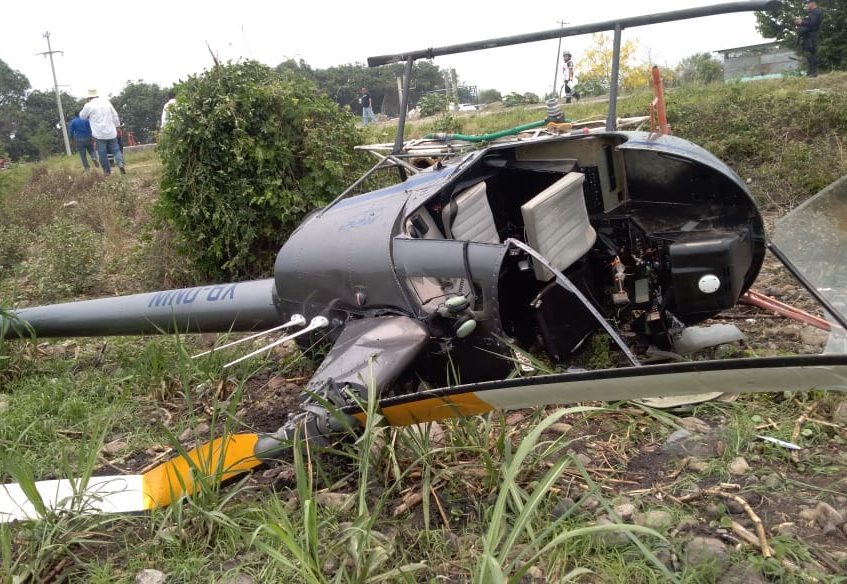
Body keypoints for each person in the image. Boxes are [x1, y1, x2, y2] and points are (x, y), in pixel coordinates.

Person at [80, 89, 125, 175]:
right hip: (111, 132)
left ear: (88, 97)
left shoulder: (88, 105)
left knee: (102, 153)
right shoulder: (107, 102)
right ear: (97, 95)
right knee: (116, 150)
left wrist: (87, 107)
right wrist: (118, 127)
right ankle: (120, 163)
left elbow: (82, 116)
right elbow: (115, 115)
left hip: (99, 134)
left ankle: (107, 171)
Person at [795, 1, 823, 77]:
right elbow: (808, 22)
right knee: (808, 53)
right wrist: (800, 22)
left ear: (813, 3)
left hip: (812, 36)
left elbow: (812, 23)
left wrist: (801, 22)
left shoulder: (816, 11)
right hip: (808, 36)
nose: (807, 5)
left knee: (810, 53)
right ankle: (811, 71)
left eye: (808, 3)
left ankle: (813, 72)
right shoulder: (812, 13)